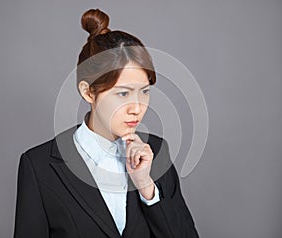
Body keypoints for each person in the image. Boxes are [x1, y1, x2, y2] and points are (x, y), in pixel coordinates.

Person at [13, 8, 199, 238]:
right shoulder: (38, 165)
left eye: (144, 91)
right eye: (123, 94)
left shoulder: (156, 151)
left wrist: (146, 187)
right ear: (88, 92)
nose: (137, 107)